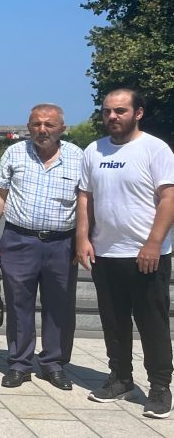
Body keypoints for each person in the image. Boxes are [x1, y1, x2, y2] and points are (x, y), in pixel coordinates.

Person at [77, 89, 174, 419]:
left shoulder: (154, 149)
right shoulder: (94, 150)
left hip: (147, 255)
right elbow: (86, 198)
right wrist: (83, 239)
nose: (112, 117)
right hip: (105, 254)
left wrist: (153, 244)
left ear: (138, 113)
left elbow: (168, 199)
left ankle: (160, 387)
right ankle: (120, 379)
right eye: (107, 111)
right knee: (114, 322)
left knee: (152, 324)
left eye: (120, 111)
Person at [0, 104, 82, 390]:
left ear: (62, 128)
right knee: (18, 303)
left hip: (62, 243)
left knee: (59, 306)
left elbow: (85, 202)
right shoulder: (15, 152)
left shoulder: (77, 157)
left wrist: (84, 239)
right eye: (36, 124)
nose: (42, 130)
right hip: (19, 240)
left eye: (49, 124)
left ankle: (54, 364)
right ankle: (20, 364)